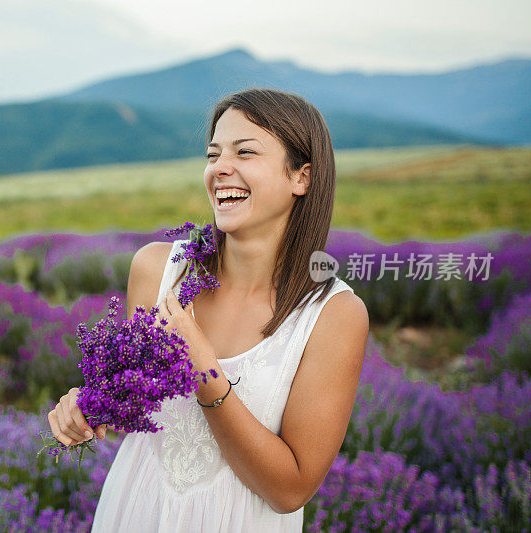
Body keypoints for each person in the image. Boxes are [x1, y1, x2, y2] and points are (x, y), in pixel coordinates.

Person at [47, 87, 369, 532]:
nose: (221, 168)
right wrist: (85, 409)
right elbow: (135, 408)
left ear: (302, 178)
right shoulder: (157, 271)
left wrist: (206, 375)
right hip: (138, 510)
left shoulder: (333, 315)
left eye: (245, 152)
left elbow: (290, 490)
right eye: (213, 153)